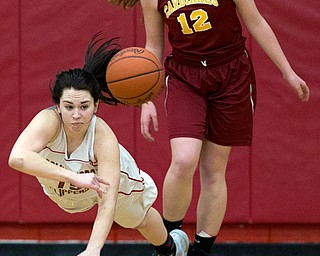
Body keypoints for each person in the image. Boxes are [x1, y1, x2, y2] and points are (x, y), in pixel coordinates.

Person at [108, 0, 310, 255]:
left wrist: (288, 72)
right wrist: (147, 98)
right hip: (185, 75)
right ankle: (167, 245)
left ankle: (202, 251)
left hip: (231, 74)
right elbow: (154, 45)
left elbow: (256, 21)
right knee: (183, 160)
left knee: (214, 169)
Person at [8, 33, 189, 256]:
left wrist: (93, 250)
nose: (76, 115)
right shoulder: (48, 122)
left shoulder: (103, 137)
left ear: (96, 106)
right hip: (68, 190)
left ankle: (169, 248)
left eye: (84, 107)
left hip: (113, 182)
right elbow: (17, 158)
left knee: (137, 218)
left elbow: (107, 202)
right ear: (58, 107)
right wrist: (74, 177)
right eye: (68, 107)